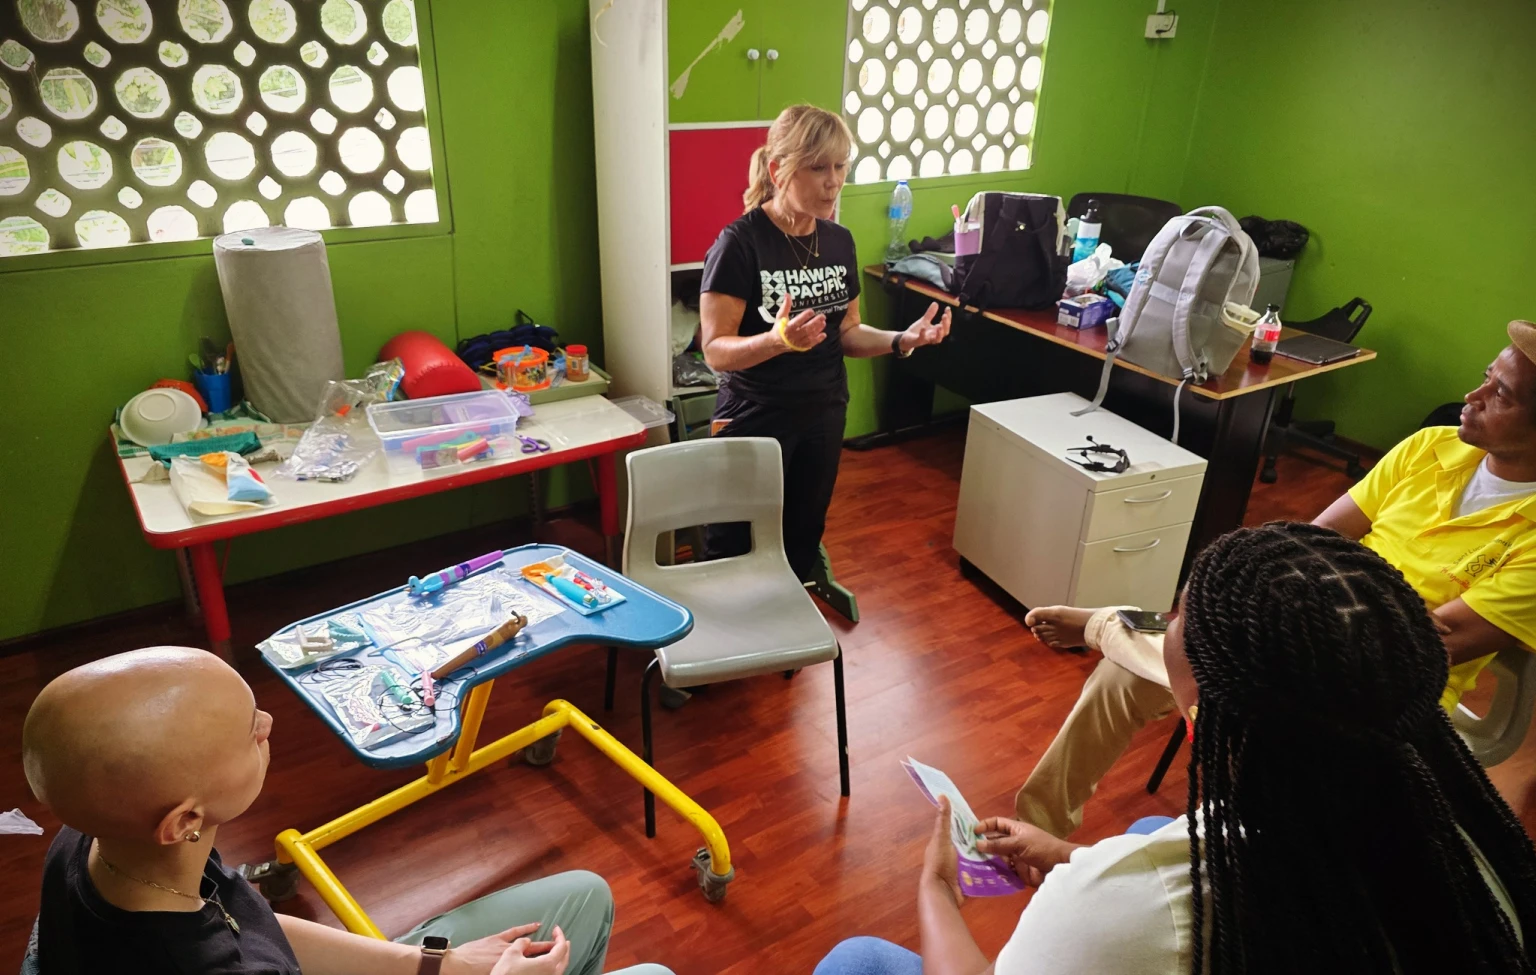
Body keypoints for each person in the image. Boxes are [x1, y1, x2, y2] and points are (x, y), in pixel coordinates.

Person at [815, 522, 1536, 974]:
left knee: (857, 959)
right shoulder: (1468, 842)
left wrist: (937, 894)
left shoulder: (1118, 918)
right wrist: (1070, 857)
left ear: (1196, 715)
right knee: (1146, 831)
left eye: (1175, 622)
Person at [1015, 320, 1536, 838]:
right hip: (1306, 626)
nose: (1473, 396)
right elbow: (1307, 543)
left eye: (1501, 395)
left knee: (1235, 705)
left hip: (1379, 694)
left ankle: (1122, 629)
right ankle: (1039, 826)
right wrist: (1355, 603)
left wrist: (1337, 596)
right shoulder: (1430, 447)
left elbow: (1417, 651)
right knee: (1120, 680)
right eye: (1485, 377)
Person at [22, 646, 673, 975]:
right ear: (184, 820)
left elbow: (248, 921)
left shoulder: (99, 840)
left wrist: (436, 965)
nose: (268, 723)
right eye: (249, 730)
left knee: (586, 892)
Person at [699, 104, 951, 581]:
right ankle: (728, 628)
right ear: (779, 171)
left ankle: (786, 621)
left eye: (840, 166)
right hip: (755, 416)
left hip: (823, 414)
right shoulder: (740, 243)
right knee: (733, 544)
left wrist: (902, 339)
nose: (833, 182)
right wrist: (776, 341)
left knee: (801, 537)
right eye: (817, 168)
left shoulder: (839, 241)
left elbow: (848, 332)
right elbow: (715, 350)